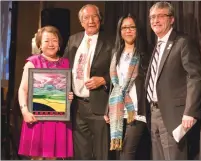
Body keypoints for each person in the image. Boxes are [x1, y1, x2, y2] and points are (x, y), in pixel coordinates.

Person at [145, 2, 201, 160]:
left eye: (160, 16)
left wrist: (190, 111)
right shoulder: (156, 45)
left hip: (173, 115)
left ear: (172, 19)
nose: (155, 20)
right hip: (154, 112)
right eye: (152, 17)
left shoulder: (182, 42)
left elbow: (194, 77)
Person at [63, 4, 113, 160]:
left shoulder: (111, 40)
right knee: (81, 154)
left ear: (100, 19)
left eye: (94, 16)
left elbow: (122, 71)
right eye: (86, 17)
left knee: (101, 153)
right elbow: (64, 68)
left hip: (99, 106)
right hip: (77, 107)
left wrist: (104, 80)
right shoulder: (73, 39)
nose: (91, 21)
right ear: (81, 22)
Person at [18, 26, 73, 160]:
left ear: (59, 44)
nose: (51, 44)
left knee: (53, 157)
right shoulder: (33, 62)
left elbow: (65, 89)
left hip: (58, 119)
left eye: (54, 40)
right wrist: (25, 111)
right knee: (36, 157)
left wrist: (68, 97)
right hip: (36, 117)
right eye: (46, 41)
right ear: (40, 45)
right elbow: (23, 89)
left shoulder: (65, 63)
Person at [104, 13, 150, 160]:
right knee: (119, 153)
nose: (128, 30)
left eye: (132, 27)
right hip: (118, 109)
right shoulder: (116, 53)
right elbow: (115, 84)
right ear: (120, 31)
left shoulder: (145, 53)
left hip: (136, 110)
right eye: (124, 28)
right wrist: (108, 110)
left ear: (138, 30)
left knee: (126, 154)